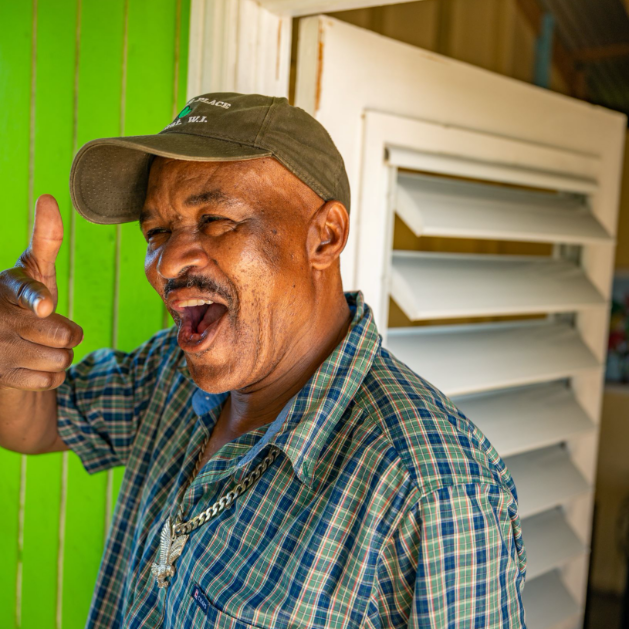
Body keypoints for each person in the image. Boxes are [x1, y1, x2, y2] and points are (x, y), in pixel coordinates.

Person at [0, 93, 526, 628]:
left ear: (325, 237)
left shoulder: (433, 487)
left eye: (215, 219)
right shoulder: (169, 372)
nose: (168, 262)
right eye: (156, 232)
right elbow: (36, 421)